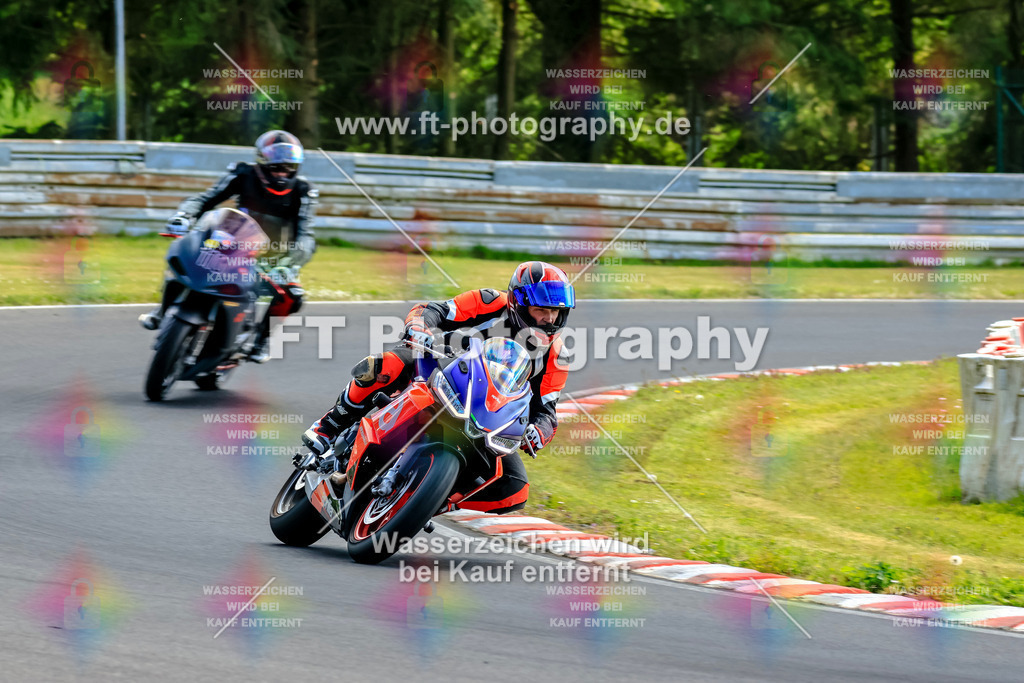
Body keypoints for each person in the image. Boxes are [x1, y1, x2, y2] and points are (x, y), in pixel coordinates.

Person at [301, 261, 576, 514]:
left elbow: (547, 412)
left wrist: (538, 431)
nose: (549, 320)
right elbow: (434, 310)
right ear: (518, 302)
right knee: (385, 366)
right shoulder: (490, 302)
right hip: (441, 369)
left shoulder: (556, 356)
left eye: (555, 312)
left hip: (487, 412)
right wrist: (420, 327)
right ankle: (329, 425)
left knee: (515, 489)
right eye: (541, 310)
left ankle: (427, 500)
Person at [139, 130, 318, 363]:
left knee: (292, 295)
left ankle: (261, 340)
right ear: (262, 158)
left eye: (288, 159)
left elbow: (307, 235)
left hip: (273, 258)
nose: (282, 166)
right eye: (276, 158)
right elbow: (205, 199)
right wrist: (184, 216)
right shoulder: (242, 173)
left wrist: (291, 261)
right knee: (182, 256)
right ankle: (163, 312)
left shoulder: (303, 190)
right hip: (230, 241)